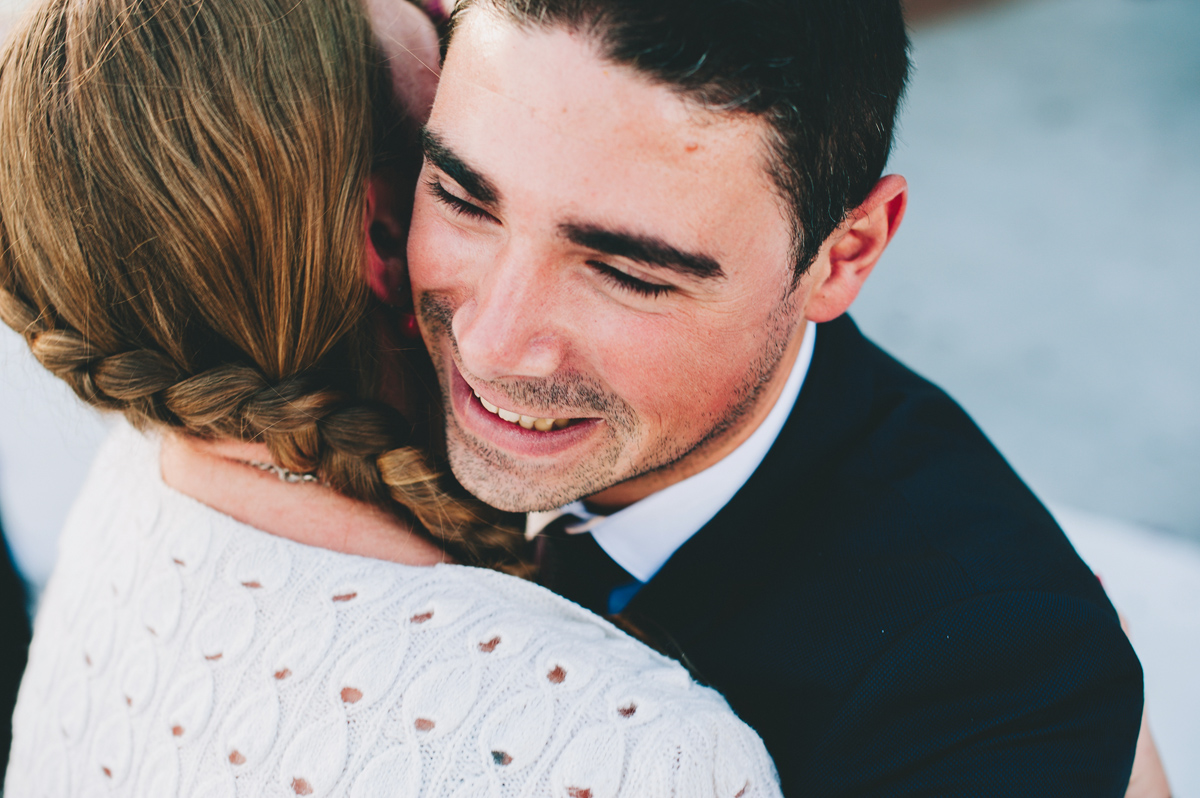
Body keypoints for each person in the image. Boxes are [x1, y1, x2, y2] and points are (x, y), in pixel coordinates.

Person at [0, 0, 782, 793]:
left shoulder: (134, 488)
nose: (451, 8)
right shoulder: (641, 754)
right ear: (385, 238)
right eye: (429, 21)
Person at [401, 0, 1145, 793]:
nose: (488, 344)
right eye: (462, 199)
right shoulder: (328, 302)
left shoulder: (990, 685)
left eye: (628, 274)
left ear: (844, 256)